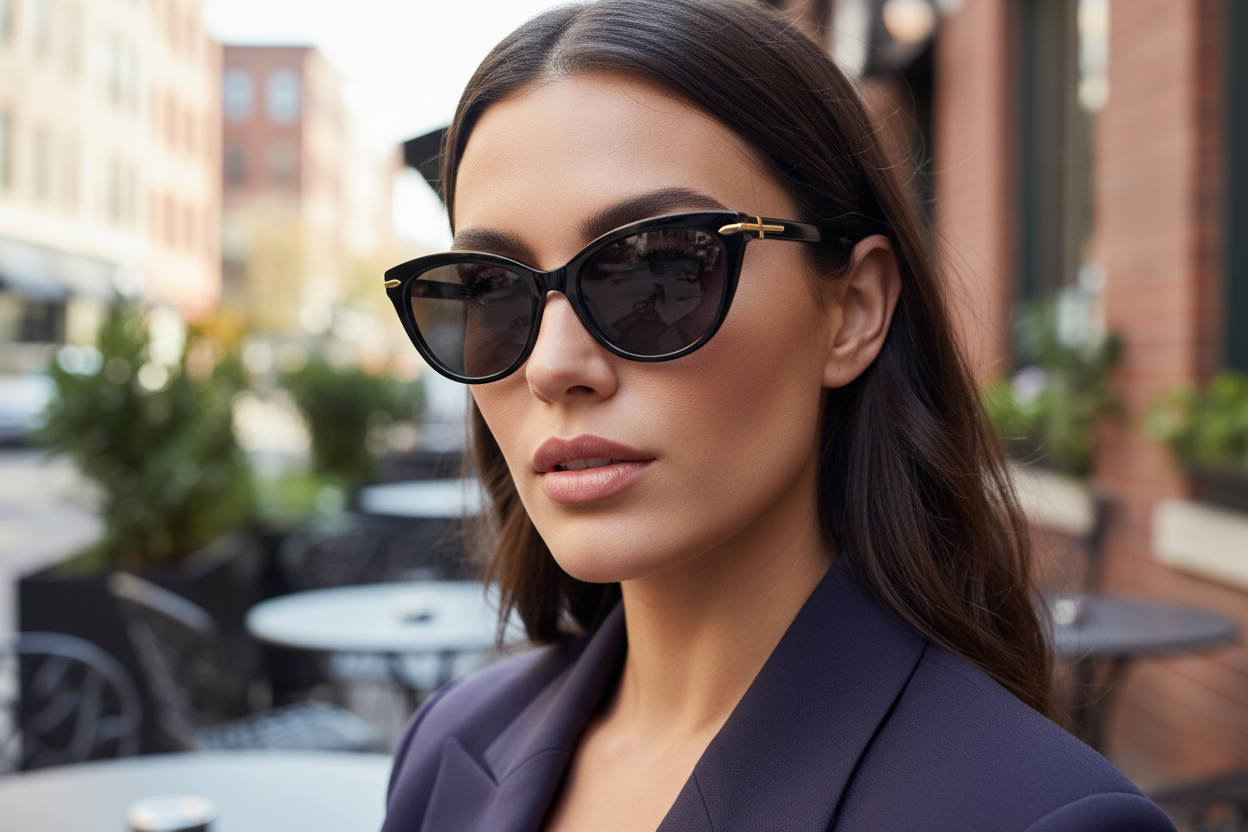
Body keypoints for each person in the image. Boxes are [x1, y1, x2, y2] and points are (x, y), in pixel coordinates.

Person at [379, 1, 1176, 830]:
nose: (552, 366)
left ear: (854, 309)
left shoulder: (1038, 816)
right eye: (490, 289)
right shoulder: (449, 746)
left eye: (658, 271)